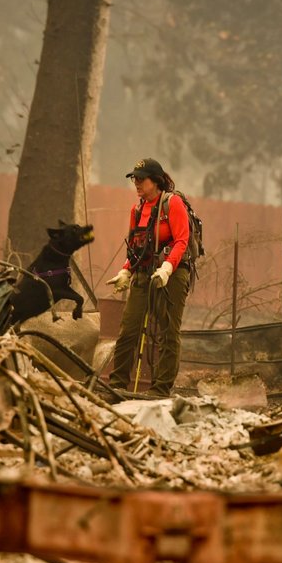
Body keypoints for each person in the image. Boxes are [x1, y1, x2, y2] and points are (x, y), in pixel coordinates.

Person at [106, 157, 192, 396]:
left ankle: (161, 389)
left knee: (168, 332)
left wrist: (166, 268)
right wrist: (126, 269)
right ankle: (117, 384)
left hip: (172, 275)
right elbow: (136, 247)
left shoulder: (172, 204)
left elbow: (182, 240)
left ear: (155, 181)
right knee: (128, 329)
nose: (136, 183)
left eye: (141, 179)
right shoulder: (137, 209)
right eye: (134, 178)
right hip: (144, 274)